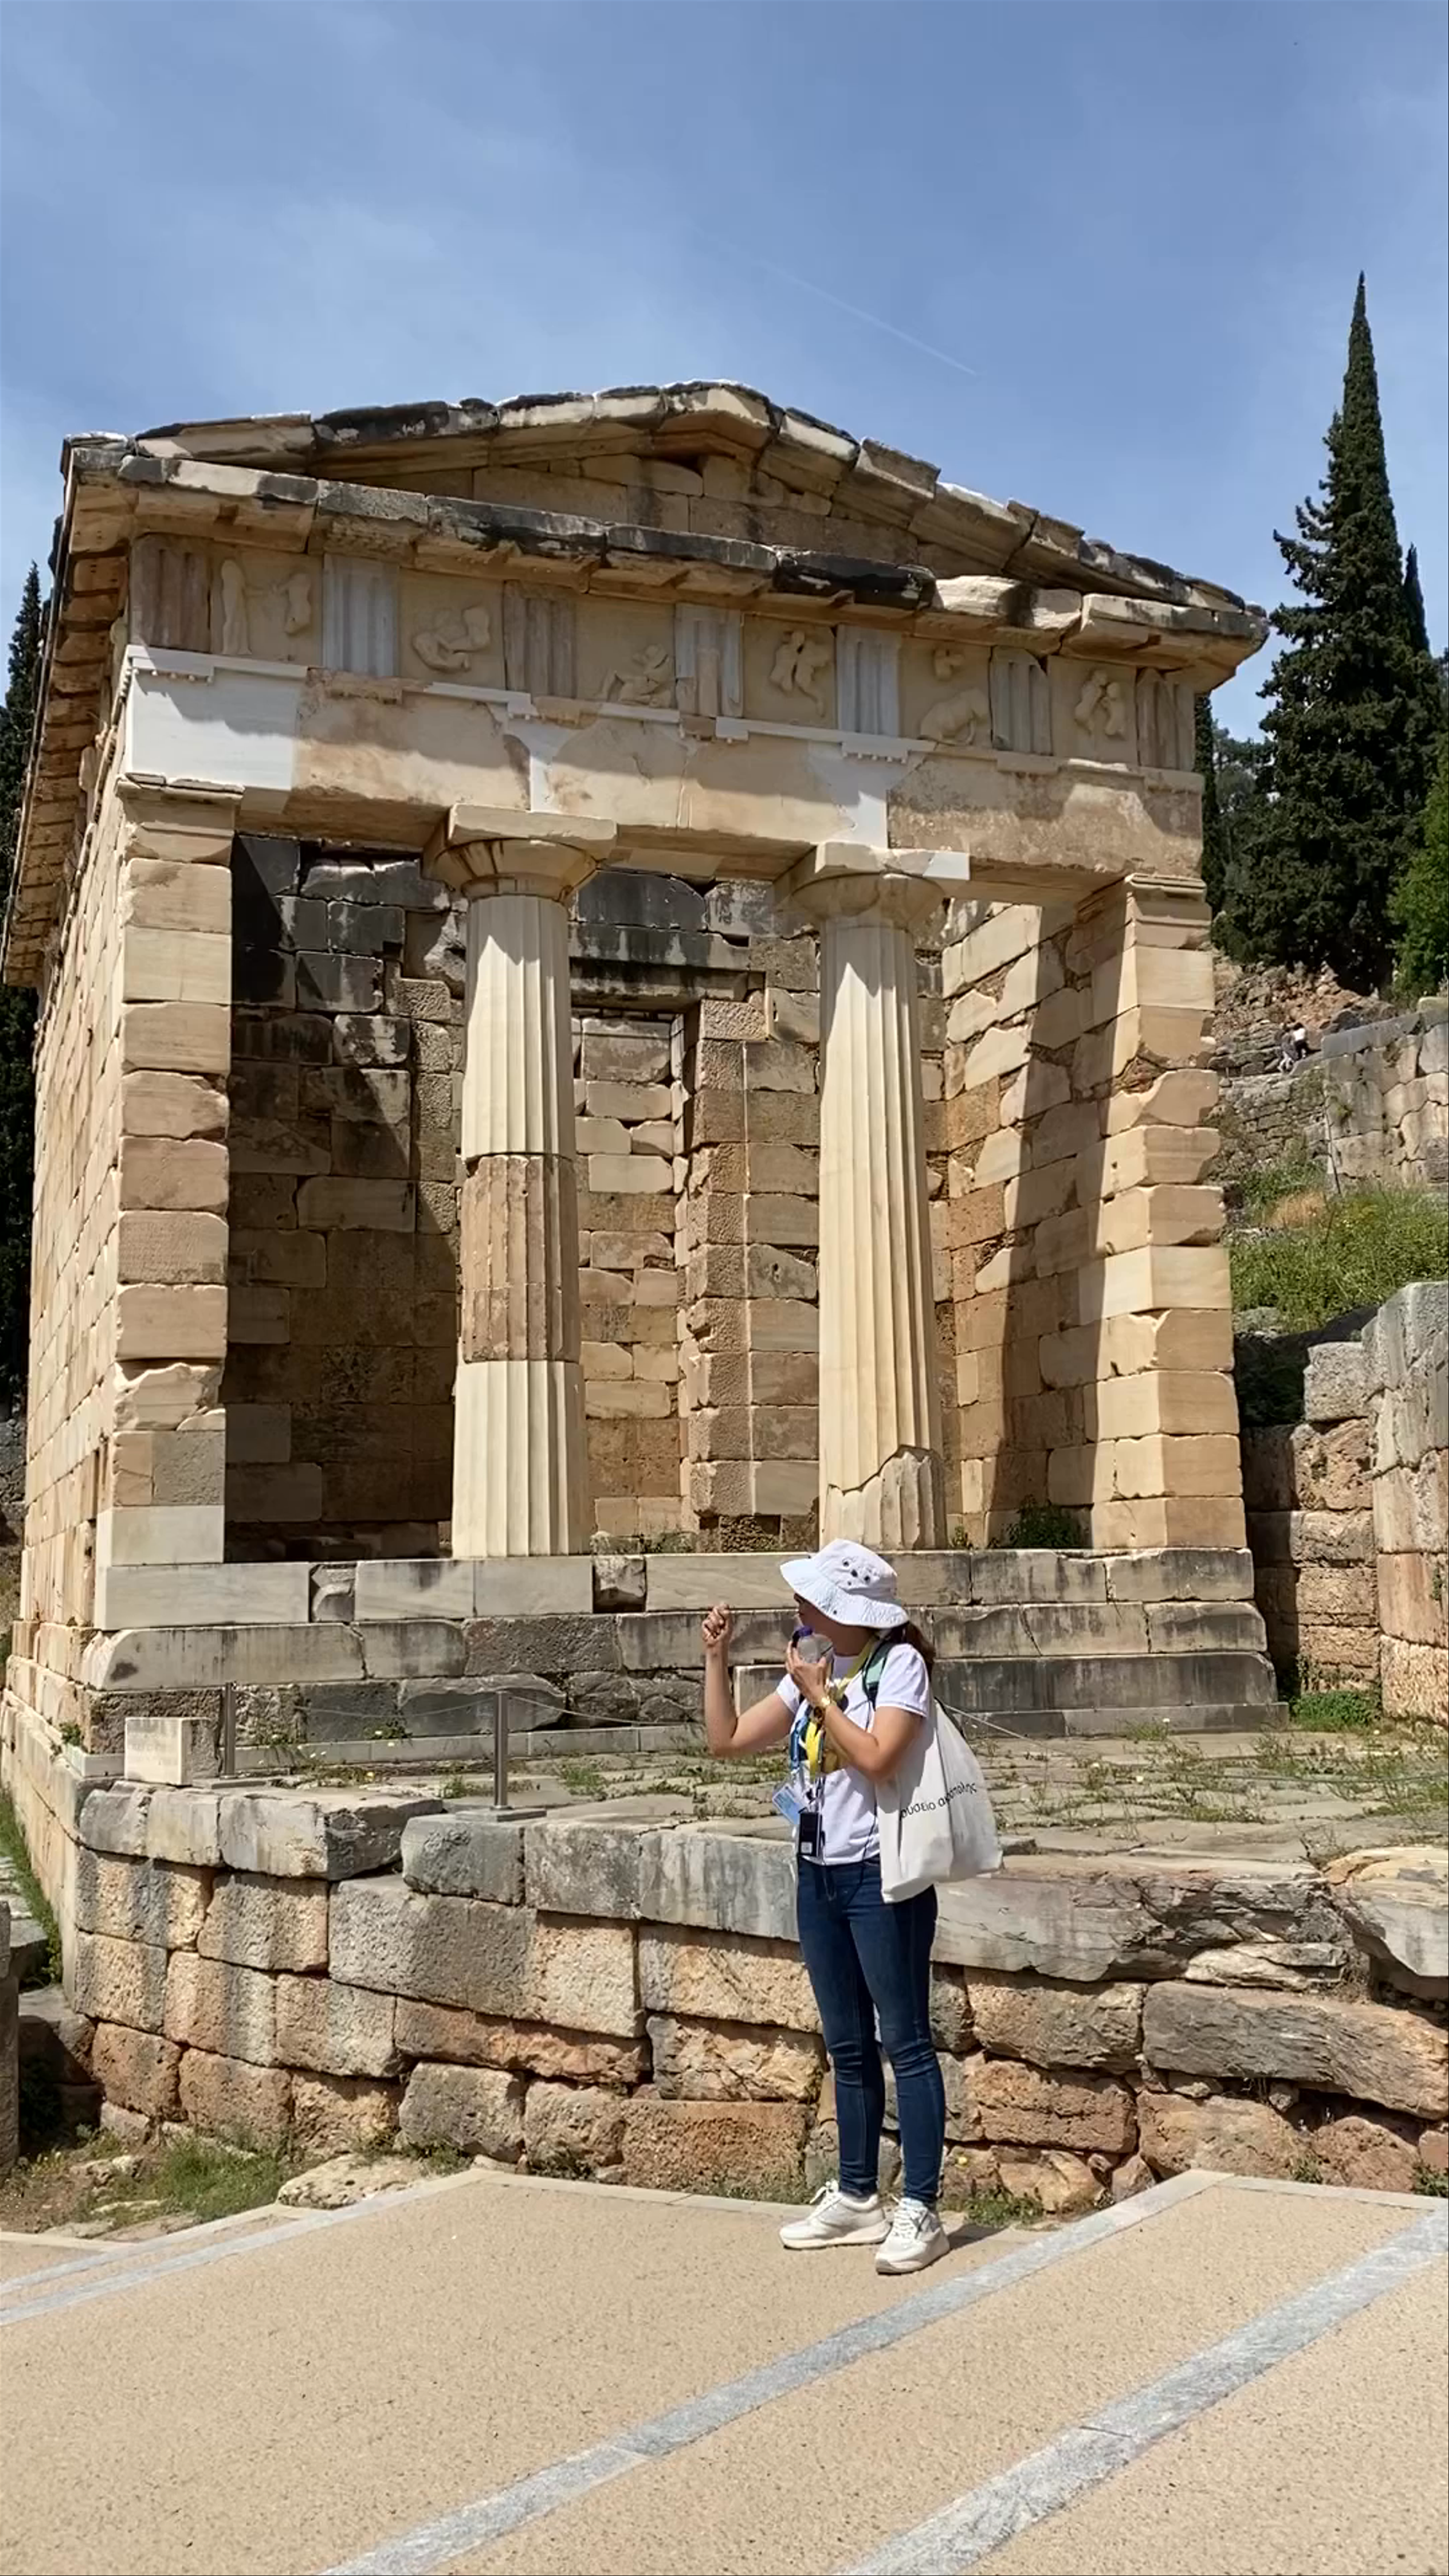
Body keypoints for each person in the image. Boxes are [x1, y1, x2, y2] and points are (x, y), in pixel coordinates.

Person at [700, 1538, 949, 2275]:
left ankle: (923, 2205)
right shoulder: (818, 1661)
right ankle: (857, 2192)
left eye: (810, 1598)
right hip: (817, 1871)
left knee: (904, 2039)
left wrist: (817, 1696)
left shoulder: (896, 1665)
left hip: (882, 1875)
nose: (799, 1607)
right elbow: (727, 1738)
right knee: (846, 2043)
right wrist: (716, 1659)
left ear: (845, 1611)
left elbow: (878, 1757)